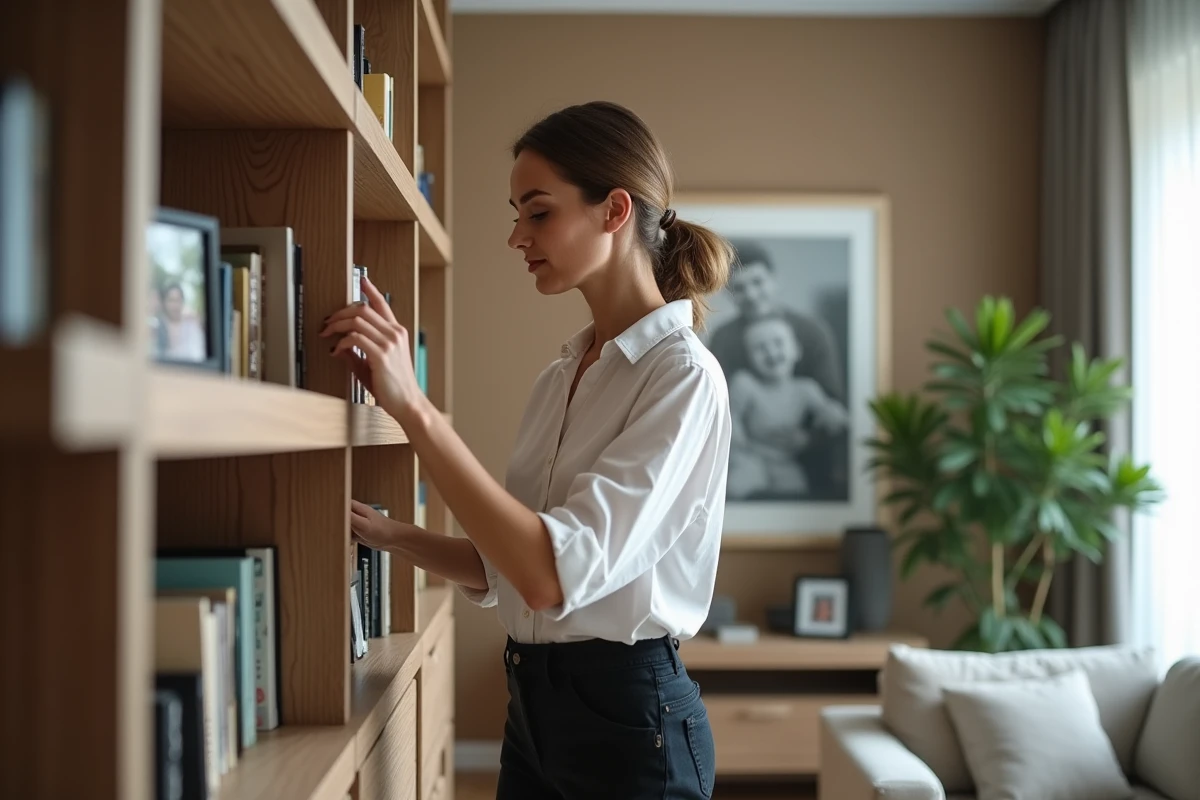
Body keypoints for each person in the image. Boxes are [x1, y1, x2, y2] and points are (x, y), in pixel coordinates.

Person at [319, 100, 734, 800]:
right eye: (516, 213)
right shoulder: (560, 375)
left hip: (630, 729)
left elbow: (549, 576)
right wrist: (388, 535)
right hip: (534, 714)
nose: (516, 236)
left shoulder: (682, 377)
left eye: (538, 212)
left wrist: (413, 406)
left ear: (614, 210)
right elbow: (510, 564)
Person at [727, 314, 849, 500]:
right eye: (759, 348)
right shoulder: (746, 384)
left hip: (784, 461)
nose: (770, 352)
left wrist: (835, 417)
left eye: (778, 343)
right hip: (750, 457)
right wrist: (739, 442)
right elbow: (730, 417)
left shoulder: (806, 389)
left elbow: (829, 412)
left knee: (796, 490)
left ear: (796, 350)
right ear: (748, 358)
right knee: (741, 484)